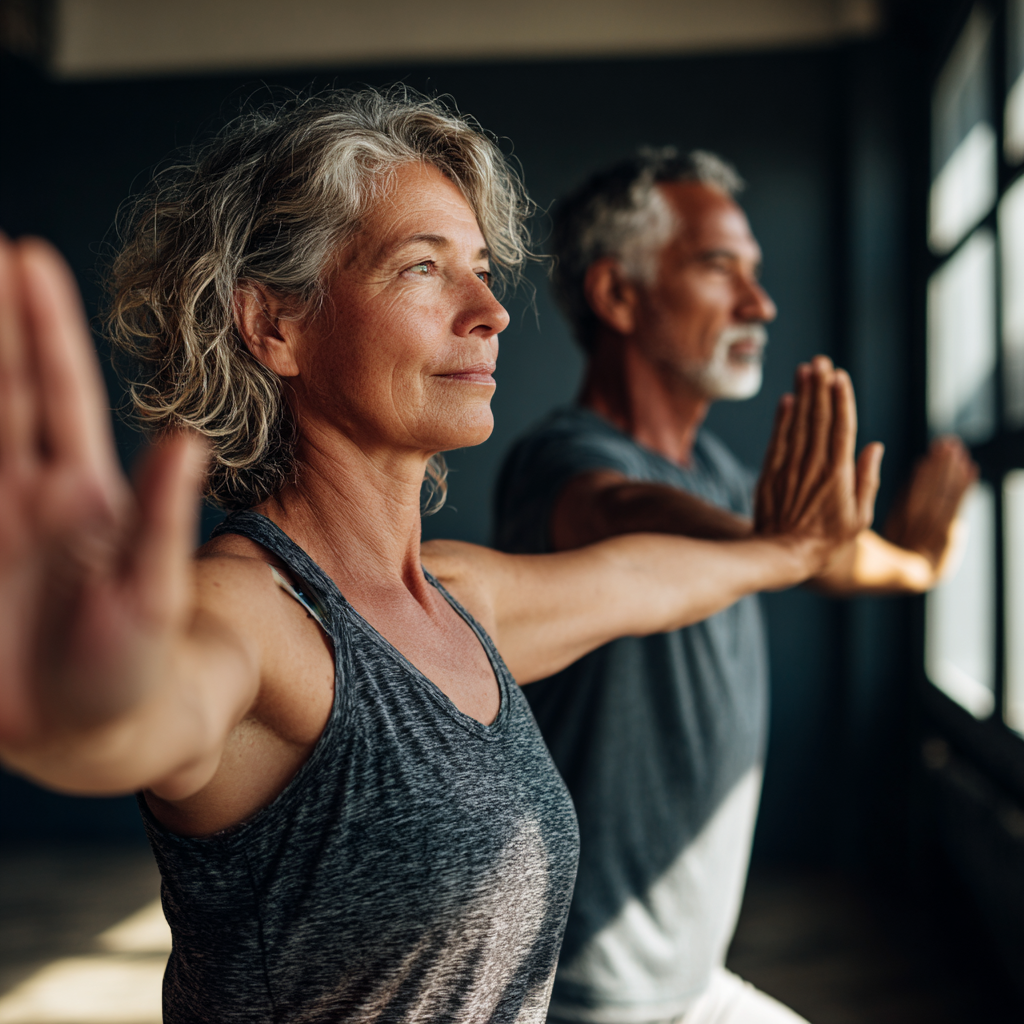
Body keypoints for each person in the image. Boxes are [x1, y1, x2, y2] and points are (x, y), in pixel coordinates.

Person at [0, 93, 877, 1024]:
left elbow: (639, 580)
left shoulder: (454, 602)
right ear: (273, 325)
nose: (492, 310)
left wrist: (791, 552)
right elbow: (146, 710)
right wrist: (76, 706)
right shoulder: (254, 615)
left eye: (484, 270)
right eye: (423, 267)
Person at [494, 149, 978, 1024]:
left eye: (755, 272)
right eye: (720, 267)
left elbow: (814, 560)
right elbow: (627, 513)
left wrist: (914, 564)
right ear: (617, 296)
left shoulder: (715, 472)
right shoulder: (566, 462)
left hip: (691, 982)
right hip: (586, 991)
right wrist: (786, 546)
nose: (760, 304)